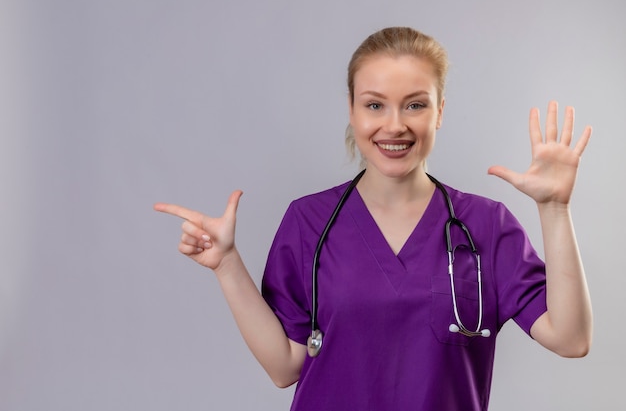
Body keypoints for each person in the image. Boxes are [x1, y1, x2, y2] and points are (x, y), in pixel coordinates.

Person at [154, 27, 592, 410]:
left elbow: (570, 339)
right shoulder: (309, 221)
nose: (395, 125)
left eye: (416, 105)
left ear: (440, 111)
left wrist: (555, 210)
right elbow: (284, 367)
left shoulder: (485, 226)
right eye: (375, 105)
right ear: (352, 110)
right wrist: (227, 265)